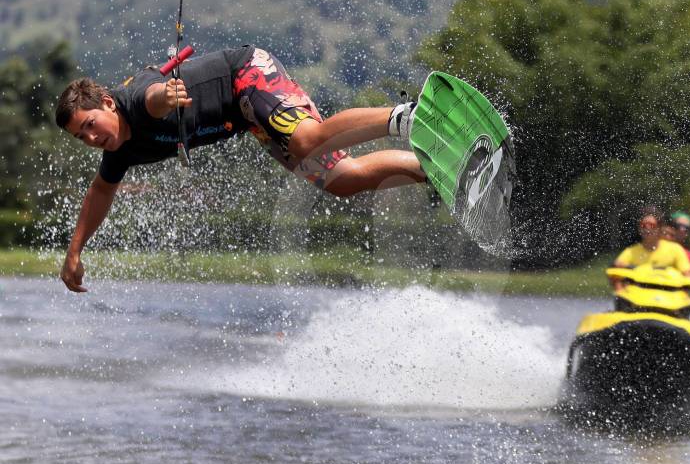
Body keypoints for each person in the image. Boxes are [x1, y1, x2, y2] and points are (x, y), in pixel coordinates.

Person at [55, 45, 424, 293]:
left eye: (90, 125)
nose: (90, 138)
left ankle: (410, 118)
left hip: (246, 74)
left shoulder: (135, 100)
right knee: (342, 180)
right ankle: (433, 168)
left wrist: (165, 98)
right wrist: (74, 253)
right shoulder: (120, 148)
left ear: (106, 103)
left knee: (306, 140)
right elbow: (101, 191)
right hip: (247, 118)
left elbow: (150, 98)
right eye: (80, 137)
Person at [610, 207, 690, 292]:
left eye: (652, 225)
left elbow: (687, 276)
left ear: (660, 228)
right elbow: (615, 272)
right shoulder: (630, 252)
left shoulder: (675, 249)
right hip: (638, 300)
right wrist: (620, 292)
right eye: (643, 225)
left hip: (669, 299)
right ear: (639, 228)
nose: (647, 229)